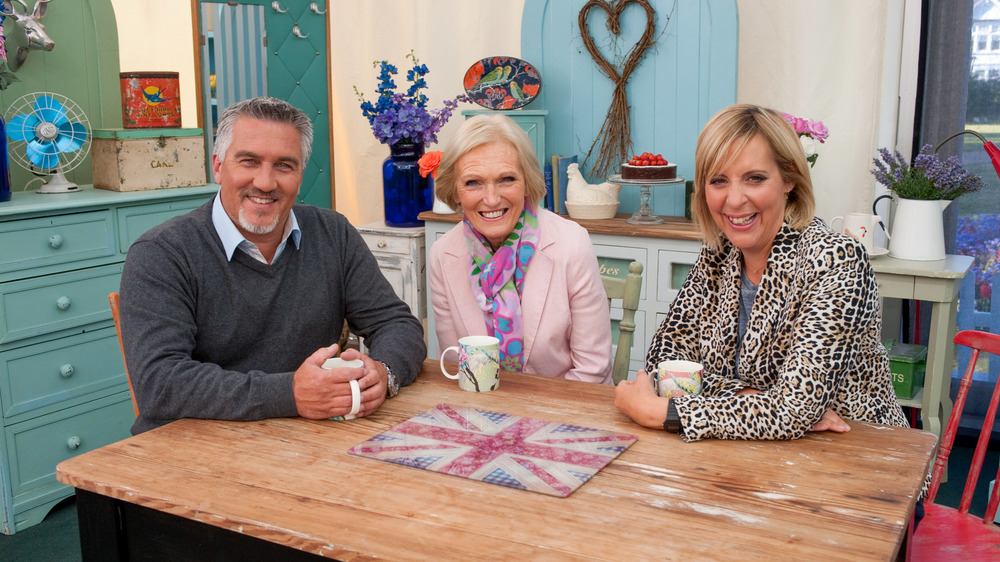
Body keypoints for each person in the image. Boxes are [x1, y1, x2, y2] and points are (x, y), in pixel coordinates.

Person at [119, 96, 426, 434]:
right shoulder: (161, 252)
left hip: (304, 443)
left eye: (284, 165)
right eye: (249, 161)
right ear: (218, 167)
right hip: (191, 453)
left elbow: (397, 324)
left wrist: (383, 373)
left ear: (300, 174)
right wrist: (290, 394)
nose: (265, 182)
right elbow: (160, 383)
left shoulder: (333, 233)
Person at [614, 103, 907, 440]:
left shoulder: (837, 259)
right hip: (754, 454)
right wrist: (752, 398)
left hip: (857, 451)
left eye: (754, 178)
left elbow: (794, 411)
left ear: (790, 179)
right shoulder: (718, 253)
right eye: (719, 180)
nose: (734, 200)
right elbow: (666, 358)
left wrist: (667, 413)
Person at [428, 114, 612, 383]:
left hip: (567, 410)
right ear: (455, 192)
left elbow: (592, 370)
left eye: (506, 179)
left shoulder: (572, 243)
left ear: (526, 182)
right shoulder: (442, 255)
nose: (491, 199)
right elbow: (458, 364)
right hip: (482, 408)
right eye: (473, 182)